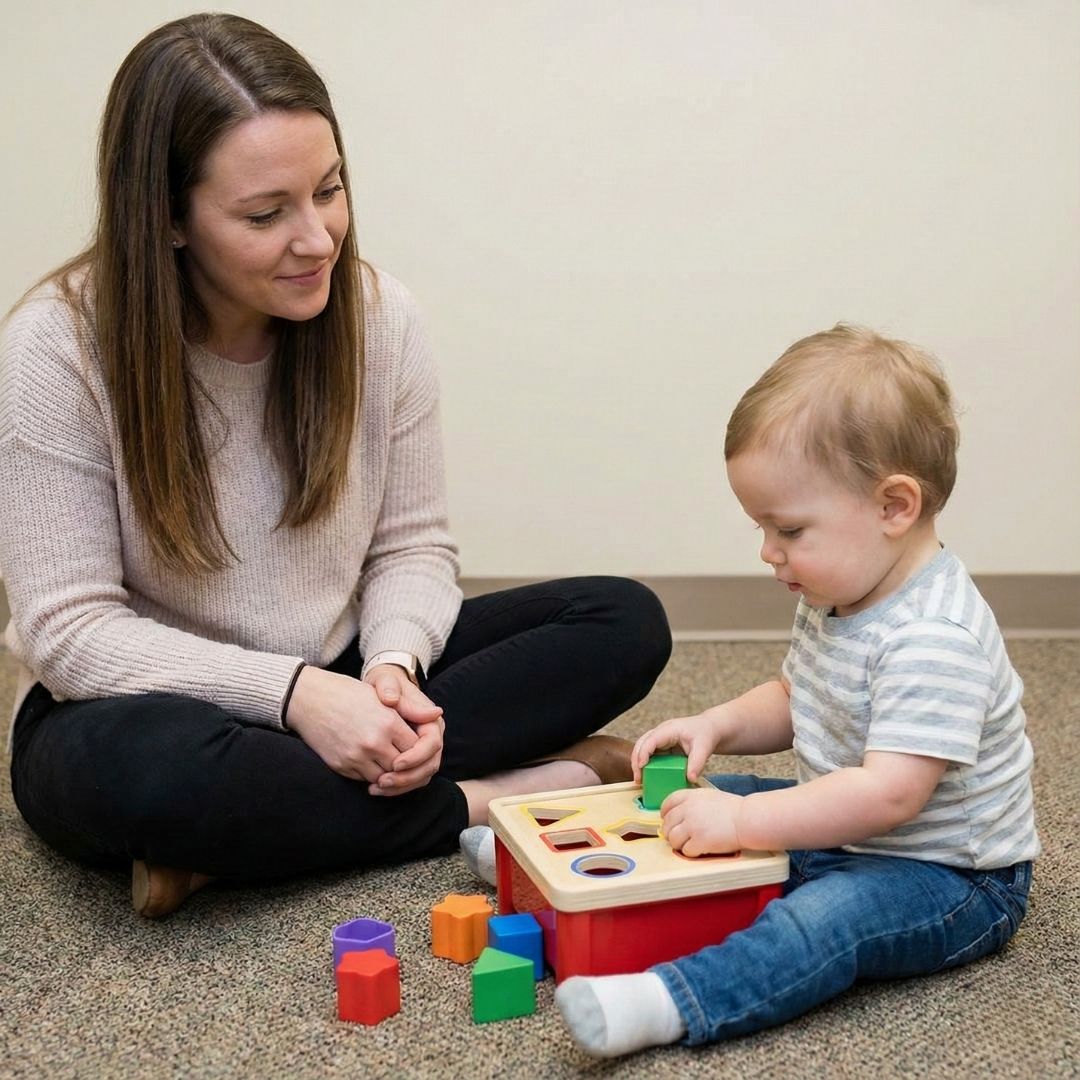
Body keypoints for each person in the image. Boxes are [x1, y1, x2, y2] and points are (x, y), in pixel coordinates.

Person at [0, 13, 671, 919]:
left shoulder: (380, 317)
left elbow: (414, 548)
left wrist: (391, 667)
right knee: (155, 780)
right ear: (165, 217)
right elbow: (70, 631)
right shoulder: (56, 347)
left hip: (346, 668)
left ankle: (239, 846)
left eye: (329, 190)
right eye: (266, 214)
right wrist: (292, 697)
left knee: (621, 619)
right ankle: (502, 795)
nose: (317, 238)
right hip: (145, 703)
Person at [551, 325, 1039, 1057]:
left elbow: (889, 797)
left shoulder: (936, 637)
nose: (767, 552)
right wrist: (715, 723)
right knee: (705, 798)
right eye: (762, 527)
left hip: (948, 879)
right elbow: (798, 693)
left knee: (819, 922)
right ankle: (550, 872)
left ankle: (666, 1002)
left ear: (894, 507)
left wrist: (747, 826)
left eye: (789, 529)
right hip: (849, 825)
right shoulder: (838, 585)